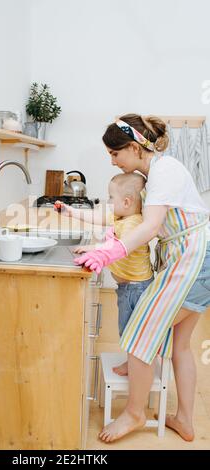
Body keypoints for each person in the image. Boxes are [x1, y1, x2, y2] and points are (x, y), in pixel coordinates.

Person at [75, 114, 210, 442]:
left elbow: (149, 228)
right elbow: (130, 219)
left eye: (114, 153)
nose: (112, 160)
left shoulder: (164, 172)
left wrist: (109, 253)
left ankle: (135, 413)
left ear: (134, 148)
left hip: (194, 261)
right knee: (179, 345)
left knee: (140, 332)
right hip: (191, 258)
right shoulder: (155, 174)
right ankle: (185, 421)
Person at [58, 173, 154, 376]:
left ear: (126, 202)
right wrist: (70, 211)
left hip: (136, 289)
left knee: (131, 330)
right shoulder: (121, 217)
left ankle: (135, 365)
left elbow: (117, 246)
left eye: (111, 197)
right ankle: (135, 362)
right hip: (129, 287)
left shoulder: (133, 223)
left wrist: (95, 249)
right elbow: (97, 218)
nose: (108, 202)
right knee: (128, 328)